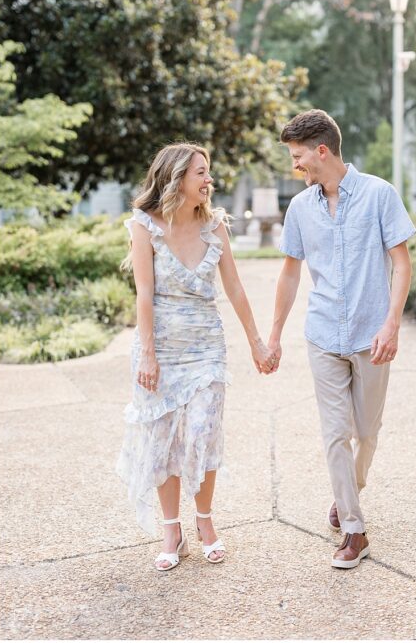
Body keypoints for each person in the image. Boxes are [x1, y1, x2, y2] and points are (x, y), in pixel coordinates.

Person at [117, 142, 276, 571]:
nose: (209, 180)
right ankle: (173, 530)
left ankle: (204, 520)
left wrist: (256, 342)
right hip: (161, 349)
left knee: (202, 432)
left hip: (206, 346)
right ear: (176, 179)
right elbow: (144, 295)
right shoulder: (144, 226)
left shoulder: (215, 226)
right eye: (200, 173)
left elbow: (236, 289)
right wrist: (147, 355)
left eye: (208, 172)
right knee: (163, 439)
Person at [267, 109, 415, 570]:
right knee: (335, 433)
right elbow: (290, 273)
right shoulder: (300, 209)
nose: (296, 166)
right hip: (323, 333)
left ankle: (348, 489)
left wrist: (391, 324)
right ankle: (354, 529)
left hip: (372, 336)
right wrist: (274, 335)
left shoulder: (378, 195)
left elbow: (402, 263)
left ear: (322, 151)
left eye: (298, 156)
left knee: (366, 433)